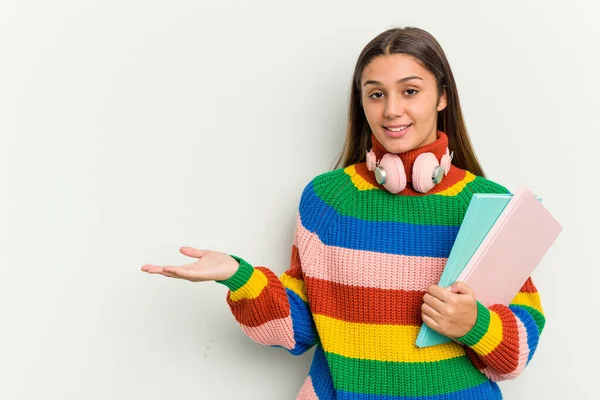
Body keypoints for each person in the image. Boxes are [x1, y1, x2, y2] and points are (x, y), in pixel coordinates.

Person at [141, 26, 545, 400]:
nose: (391, 110)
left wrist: (475, 324)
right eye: (376, 93)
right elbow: (300, 329)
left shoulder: (488, 204)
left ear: (441, 96)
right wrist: (238, 276)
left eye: (409, 91)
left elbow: (518, 350)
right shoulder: (328, 199)